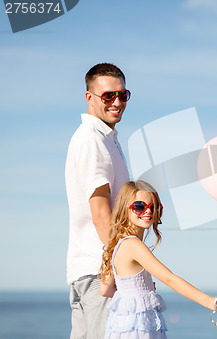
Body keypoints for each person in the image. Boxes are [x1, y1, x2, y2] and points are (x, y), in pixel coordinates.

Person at [99, 180, 217, 338]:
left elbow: (105, 290)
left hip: (123, 327)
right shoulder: (133, 245)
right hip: (139, 329)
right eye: (139, 206)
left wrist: (138, 288)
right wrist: (211, 302)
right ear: (124, 209)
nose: (148, 211)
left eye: (154, 207)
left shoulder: (117, 245)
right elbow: (169, 279)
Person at [65, 63, 131, 338]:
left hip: (90, 271)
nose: (117, 102)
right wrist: (127, 266)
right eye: (108, 96)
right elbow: (101, 215)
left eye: (123, 95)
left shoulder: (106, 139)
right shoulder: (92, 140)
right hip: (102, 274)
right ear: (89, 97)